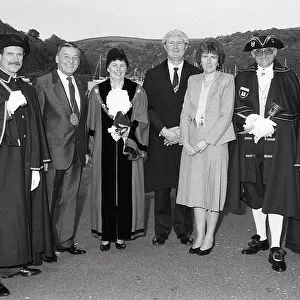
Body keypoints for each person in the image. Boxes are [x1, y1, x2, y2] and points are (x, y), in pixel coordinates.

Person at [227, 35, 300, 272]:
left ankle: (276, 246)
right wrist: (253, 120)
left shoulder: (288, 75)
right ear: (252, 55)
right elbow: (235, 107)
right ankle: (261, 236)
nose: (263, 56)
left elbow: (295, 112)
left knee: (276, 191)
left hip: (279, 144)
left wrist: (273, 123)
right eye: (259, 53)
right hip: (250, 140)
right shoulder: (243, 75)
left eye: (268, 51)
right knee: (254, 189)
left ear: (276, 53)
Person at [0, 33, 51, 297]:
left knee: (18, 213)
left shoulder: (26, 87)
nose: (15, 59)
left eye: (19, 55)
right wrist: (5, 111)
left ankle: (15, 262)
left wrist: (36, 164)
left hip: (22, 161)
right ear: (0, 56)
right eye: (10, 53)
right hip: (3, 161)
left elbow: (36, 128)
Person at [176, 39, 235, 255]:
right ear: (199, 59)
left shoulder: (227, 80)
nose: (208, 61)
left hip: (215, 142)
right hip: (192, 141)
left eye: (212, 56)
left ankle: (210, 235)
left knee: (213, 190)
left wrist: (205, 141)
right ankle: (199, 234)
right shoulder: (192, 80)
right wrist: (186, 140)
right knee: (196, 190)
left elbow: (225, 115)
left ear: (219, 60)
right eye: (204, 56)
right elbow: (184, 113)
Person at [143, 29, 201, 246]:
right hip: (161, 137)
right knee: (161, 186)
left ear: (187, 47)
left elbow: (200, 109)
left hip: (187, 138)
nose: (176, 46)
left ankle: (184, 229)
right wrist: (164, 130)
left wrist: (182, 133)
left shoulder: (197, 74)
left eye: (180, 43)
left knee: (184, 185)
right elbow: (146, 108)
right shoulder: (152, 74)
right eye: (171, 43)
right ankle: (161, 230)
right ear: (164, 46)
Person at [87, 48, 149, 251]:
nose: (119, 69)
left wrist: (129, 133)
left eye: (122, 65)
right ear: (107, 68)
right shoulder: (97, 91)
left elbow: (142, 120)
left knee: (125, 190)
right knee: (104, 190)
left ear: (127, 68)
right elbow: (91, 123)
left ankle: (121, 235)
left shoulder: (137, 91)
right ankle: (106, 235)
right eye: (114, 65)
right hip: (103, 147)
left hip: (127, 147)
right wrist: (90, 148)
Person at [33, 42, 88, 255]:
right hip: (52, 153)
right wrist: (41, 155)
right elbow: (37, 121)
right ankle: (44, 246)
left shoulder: (81, 83)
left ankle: (65, 241)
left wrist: (85, 148)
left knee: (70, 198)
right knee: (47, 201)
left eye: (75, 57)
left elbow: (80, 120)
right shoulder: (42, 83)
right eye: (66, 56)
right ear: (56, 58)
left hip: (76, 152)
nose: (71, 61)